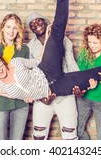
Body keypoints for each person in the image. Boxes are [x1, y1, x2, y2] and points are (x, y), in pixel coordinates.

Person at [26, 11, 79, 140]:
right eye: (32, 24)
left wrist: (78, 84)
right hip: (43, 97)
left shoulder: (62, 39)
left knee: (70, 135)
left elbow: (70, 61)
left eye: (38, 20)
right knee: (38, 137)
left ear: (45, 21)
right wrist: (40, 95)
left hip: (65, 95)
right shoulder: (30, 47)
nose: (36, 25)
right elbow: (32, 73)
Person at [0, 14, 30, 140]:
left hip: (20, 104)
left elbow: (29, 75)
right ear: (2, 28)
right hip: (0, 103)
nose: (11, 31)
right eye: (8, 27)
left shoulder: (24, 50)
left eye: (15, 28)